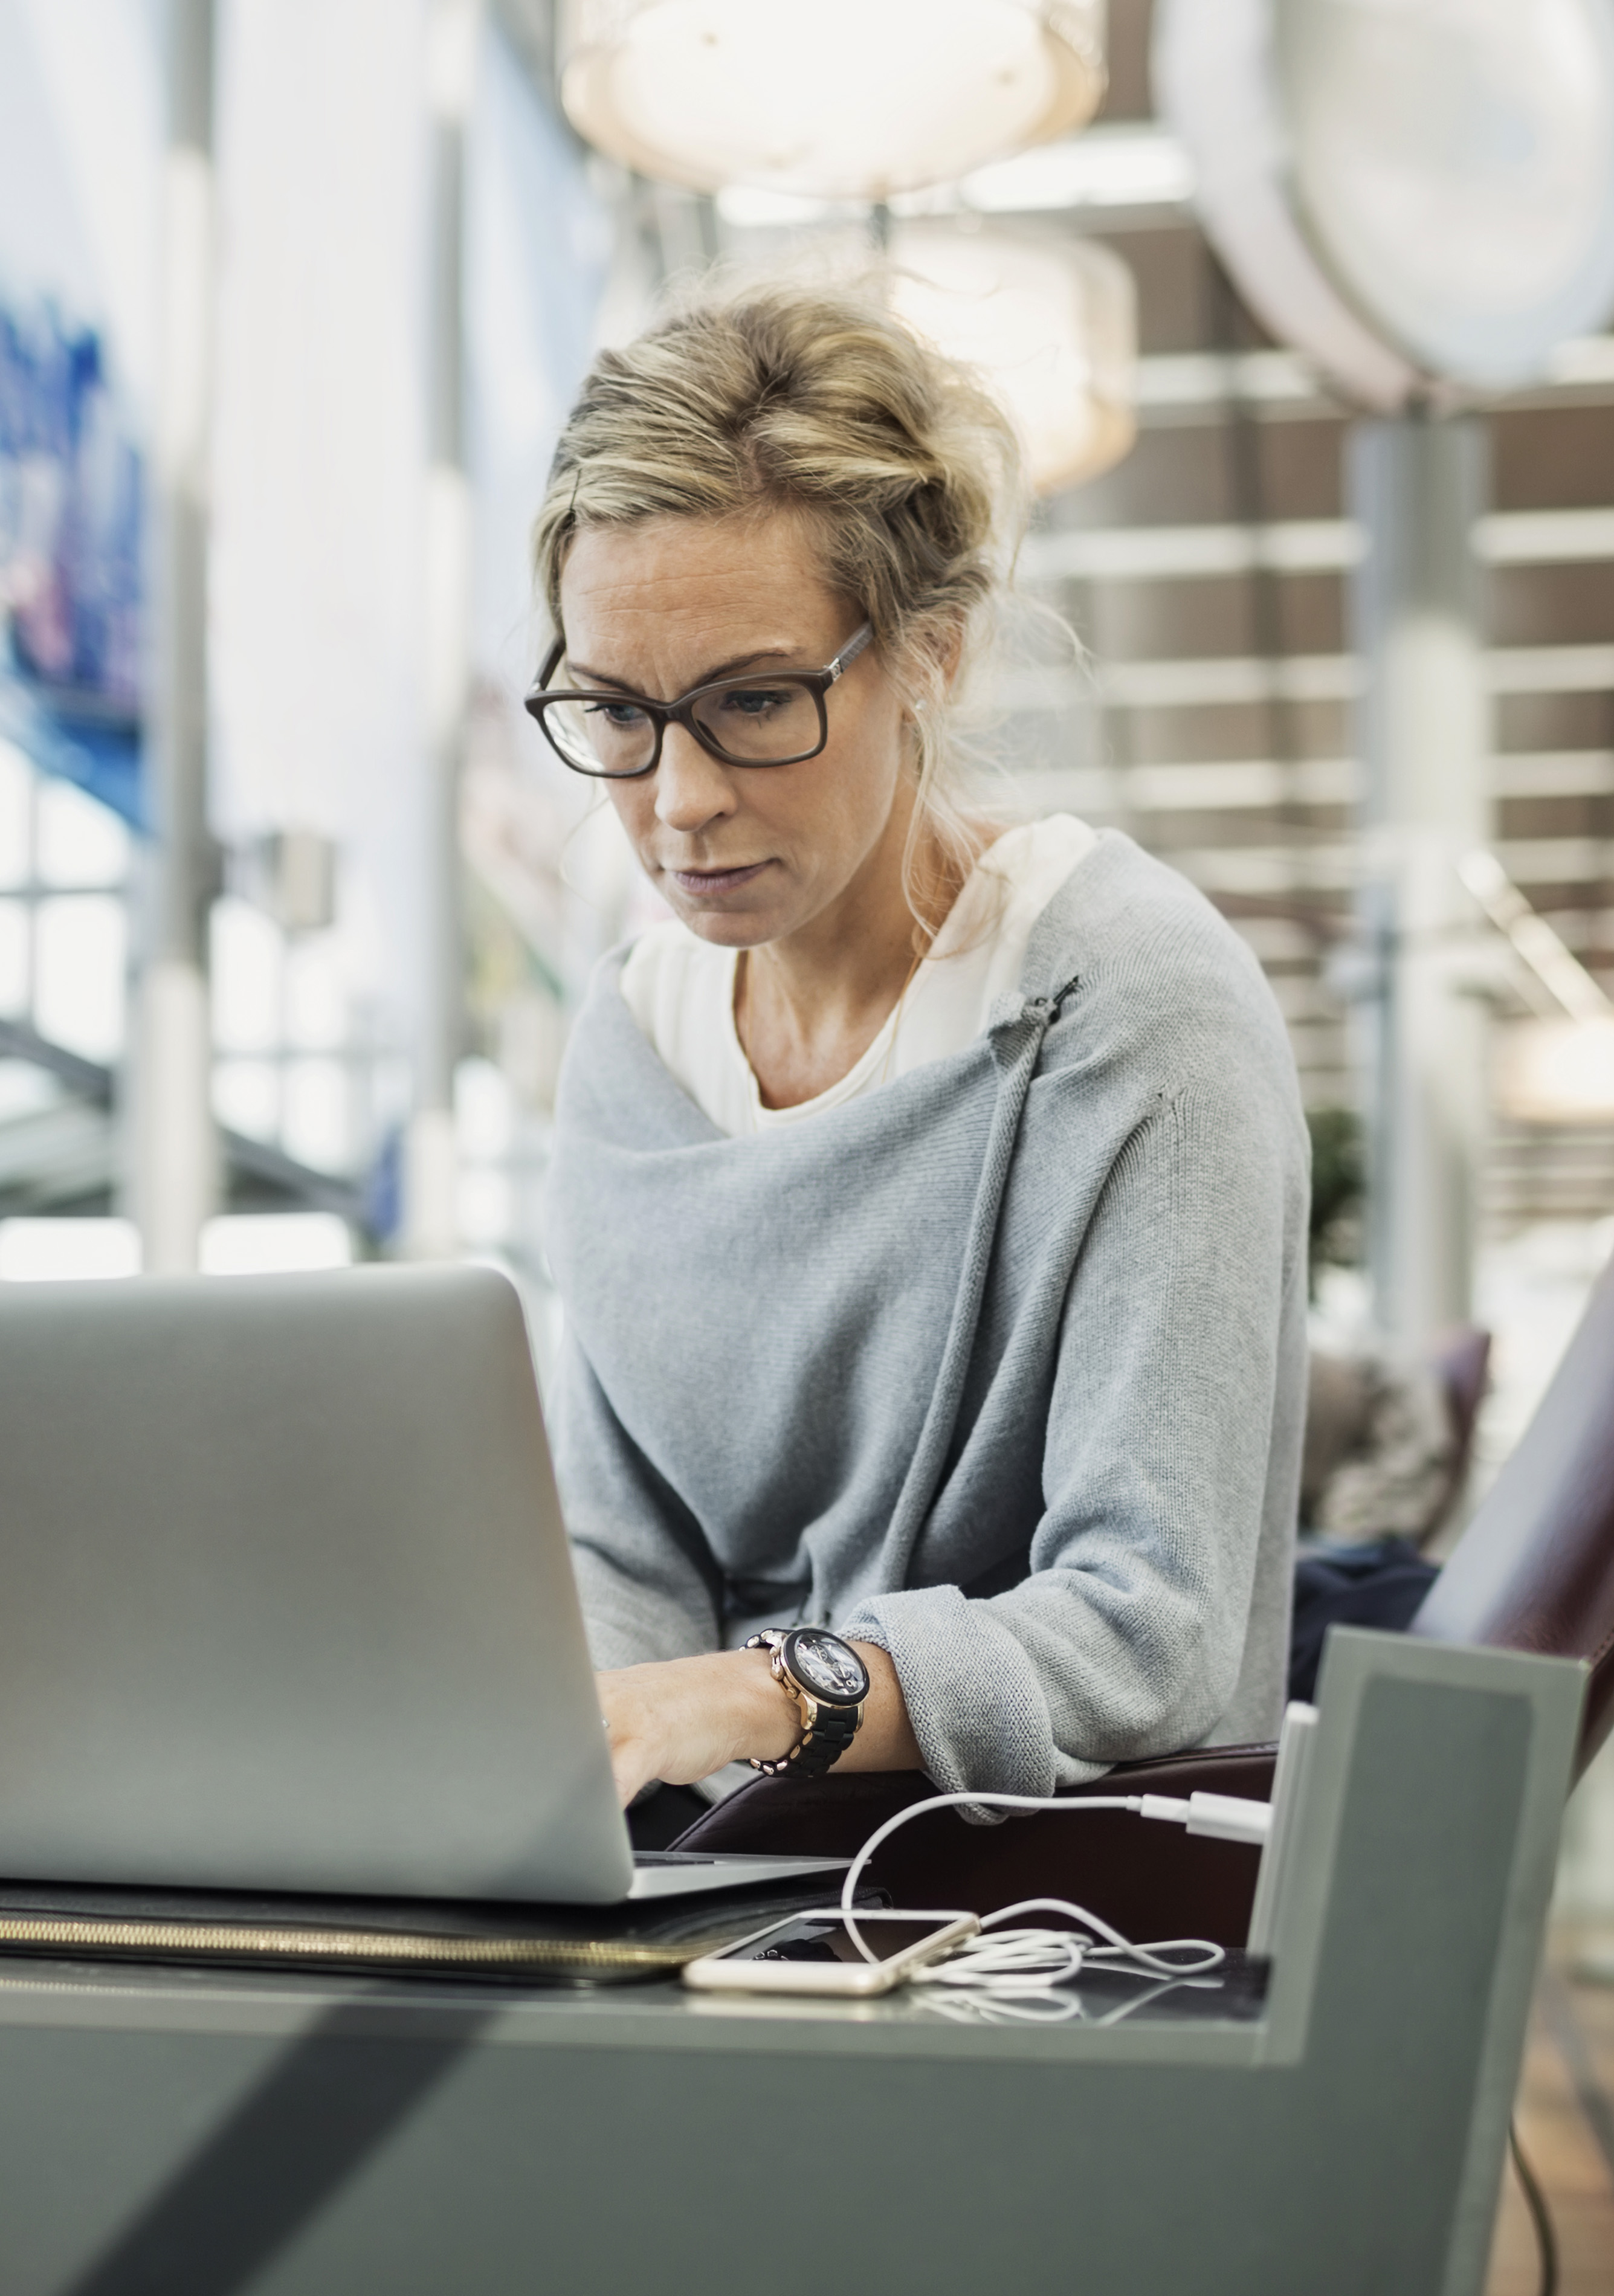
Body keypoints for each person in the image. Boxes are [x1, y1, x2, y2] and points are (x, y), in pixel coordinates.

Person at [526, 277, 1309, 1835]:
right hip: (708, 1871)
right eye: (616, 712)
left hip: (1039, 1903)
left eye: (754, 702)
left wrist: (759, 1694)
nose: (678, 799)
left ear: (933, 653)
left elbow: (1146, 1628)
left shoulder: (1132, 1010)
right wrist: (552, 1796)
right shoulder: (630, 1047)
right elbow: (619, 1561)